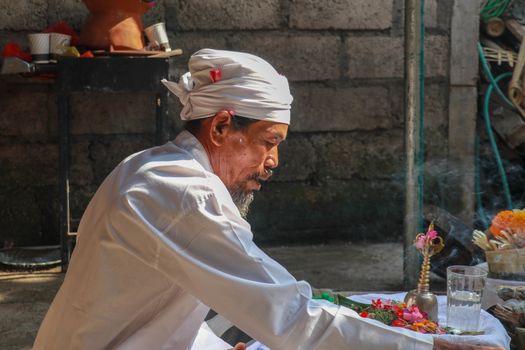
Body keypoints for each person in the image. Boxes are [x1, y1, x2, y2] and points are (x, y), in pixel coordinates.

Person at [34, 49, 504, 350]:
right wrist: (426, 348)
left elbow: (150, 307)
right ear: (220, 127)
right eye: (267, 141)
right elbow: (292, 318)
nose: (274, 161)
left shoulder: (149, 167)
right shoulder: (185, 194)